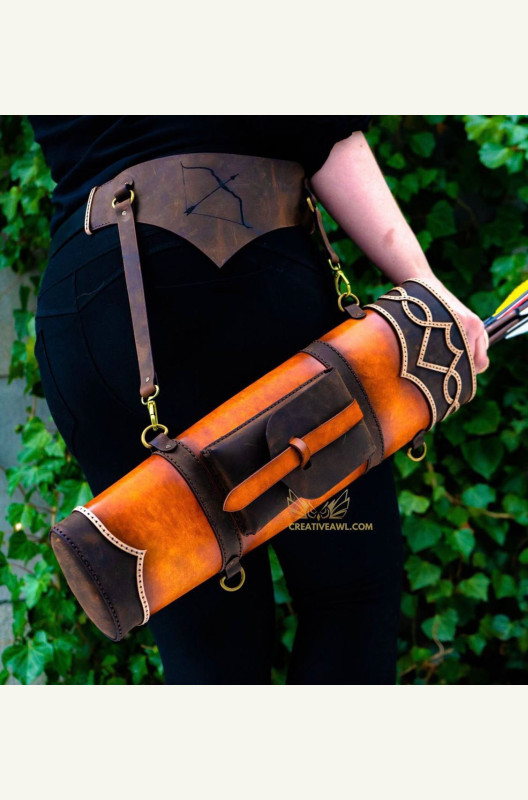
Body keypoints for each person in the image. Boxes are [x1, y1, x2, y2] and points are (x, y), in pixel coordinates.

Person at [30, 116, 489, 685]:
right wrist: (424, 283)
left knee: (208, 640)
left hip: (87, 308)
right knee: (349, 597)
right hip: (241, 270)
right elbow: (321, 126)